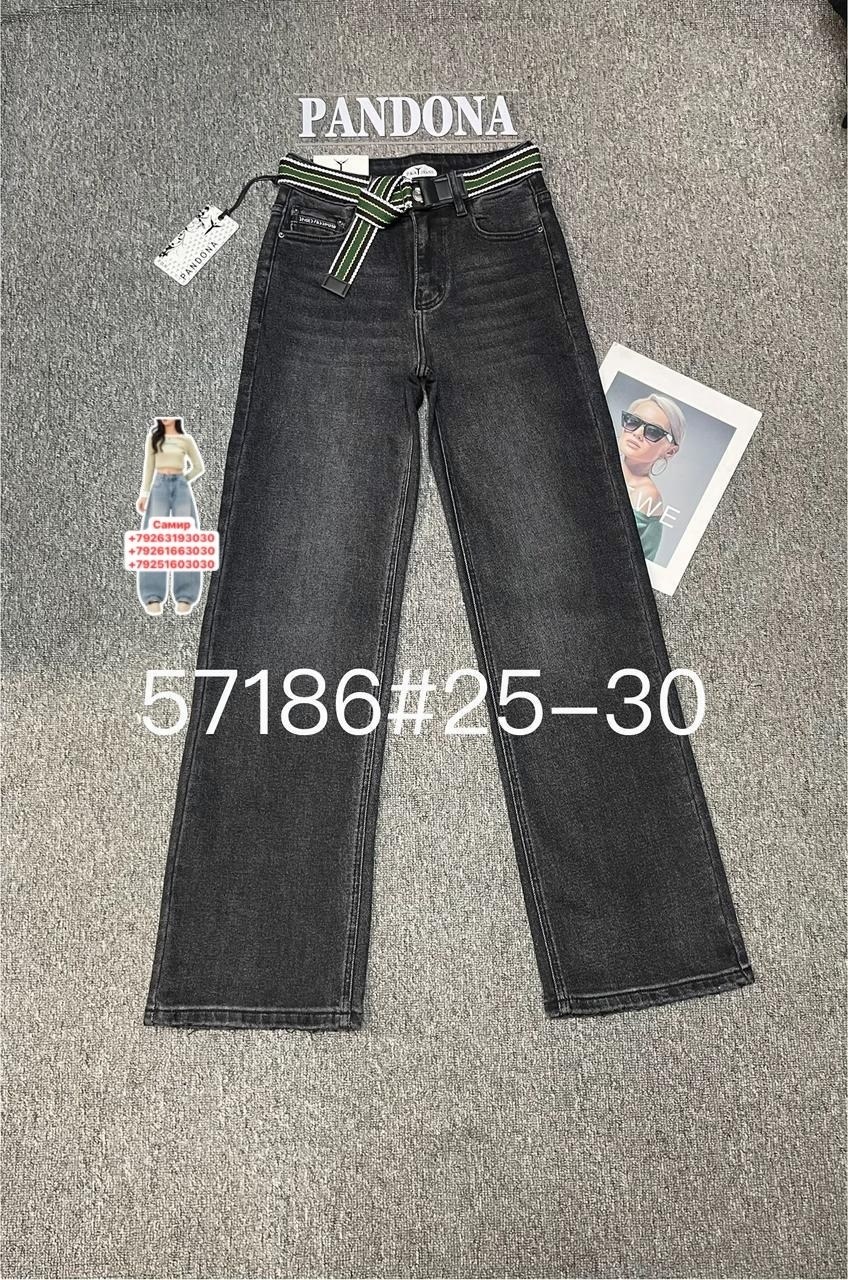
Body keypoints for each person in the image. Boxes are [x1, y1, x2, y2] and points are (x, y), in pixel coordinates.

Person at [135, 416, 206, 616]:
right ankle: (152, 595)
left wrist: (184, 480)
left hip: (181, 485)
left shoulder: (186, 440)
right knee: (154, 538)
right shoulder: (154, 438)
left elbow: (198, 467)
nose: (165, 417)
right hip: (159, 485)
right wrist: (144, 493)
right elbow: (149, 466)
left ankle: (185, 596)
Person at [617, 393, 686, 560]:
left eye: (653, 432)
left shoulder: (647, 494)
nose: (637, 433)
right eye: (633, 421)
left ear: (670, 451)